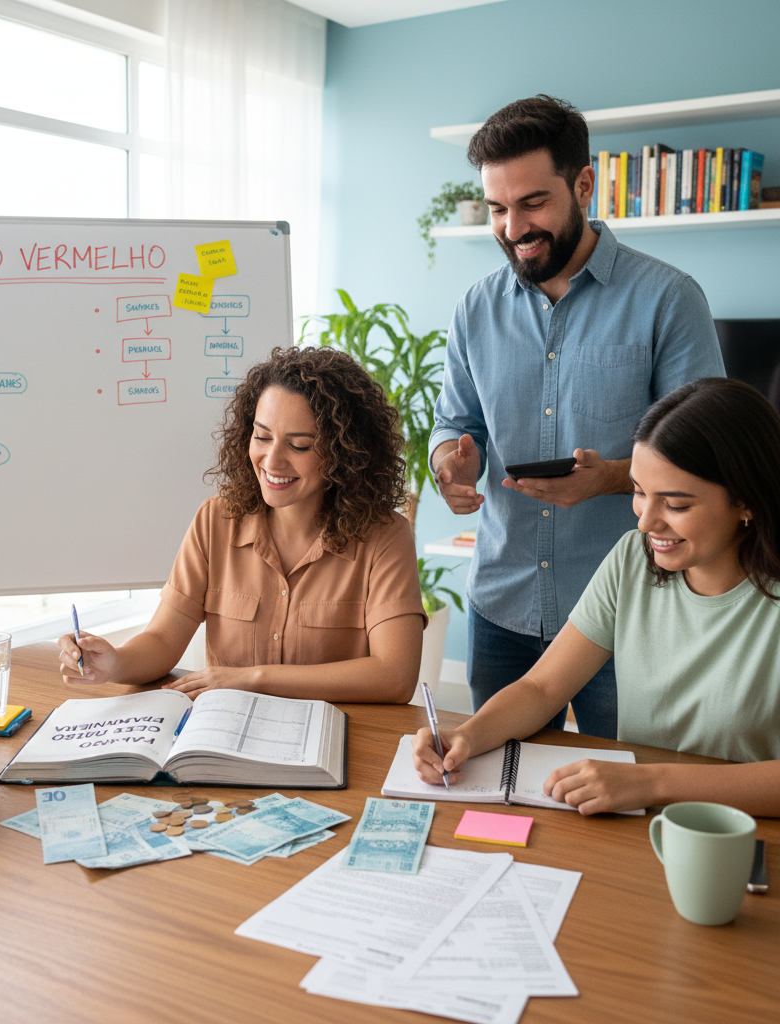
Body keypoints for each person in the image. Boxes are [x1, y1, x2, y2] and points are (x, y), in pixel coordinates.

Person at [430, 94, 725, 739]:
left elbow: (707, 458)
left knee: (613, 805)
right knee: (495, 788)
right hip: (501, 605)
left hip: (631, 614)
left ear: (583, 184)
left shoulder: (668, 300)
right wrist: (449, 460)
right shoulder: (473, 310)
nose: (512, 228)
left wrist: (612, 478)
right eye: (497, 209)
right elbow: (455, 422)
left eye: (532, 203)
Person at [413, 377, 780, 817]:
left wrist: (652, 782)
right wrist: (467, 736)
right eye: (641, 494)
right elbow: (542, 687)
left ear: (746, 500)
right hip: (638, 825)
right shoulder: (632, 560)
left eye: (676, 505)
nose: (646, 524)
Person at [58, 345, 427, 702]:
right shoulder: (215, 520)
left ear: (344, 454)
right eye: (262, 436)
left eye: (298, 446)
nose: (272, 460)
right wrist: (114, 662)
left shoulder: (385, 536)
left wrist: (253, 677)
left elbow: (394, 676)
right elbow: (163, 640)